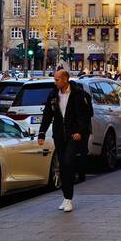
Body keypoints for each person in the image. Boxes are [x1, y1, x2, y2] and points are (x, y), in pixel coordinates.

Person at [37, 68, 92, 212]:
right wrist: (41, 133)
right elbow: (48, 115)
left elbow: (85, 116)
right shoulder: (53, 95)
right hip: (59, 135)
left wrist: (80, 132)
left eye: (57, 79)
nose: (55, 82)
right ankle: (66, 197)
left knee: (68, 162)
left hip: (73, 135)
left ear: (65, 79)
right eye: (55, 79)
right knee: (62, 165)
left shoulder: (77, 94)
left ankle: (69, 198)